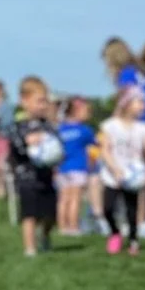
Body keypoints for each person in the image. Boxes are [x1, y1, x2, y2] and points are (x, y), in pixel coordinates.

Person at [97, 85, 145, 256]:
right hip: (113, 175)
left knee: (132, 210)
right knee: (107, 208)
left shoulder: (144, 129)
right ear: (127, 103)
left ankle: (133, 239)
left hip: (134, 176)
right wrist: (115, 169)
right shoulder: (110, 126)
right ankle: (115, 232)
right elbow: (105, 150)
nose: (144, 106)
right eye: (140, 102)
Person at [7, 76, 61, 256]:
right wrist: (27, 141)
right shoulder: (18, 126)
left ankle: (45, 235)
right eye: (39, 101)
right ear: (25, 101)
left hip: (46, 176)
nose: (43, 105)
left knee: (50, 214)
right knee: (29, 214)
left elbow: (58, 145)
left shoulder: (48, 126)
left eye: (45, 101)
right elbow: (16, 146)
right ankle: (30, 248)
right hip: (26, 177)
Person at [56, 96, 97, 236]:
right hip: (78, 167)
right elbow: (95, 145)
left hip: (62, 168)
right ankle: (73, 227)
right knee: (75, 199)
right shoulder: (85, 130)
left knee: (63, 199)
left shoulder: (59, 129)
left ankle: (62, 226)